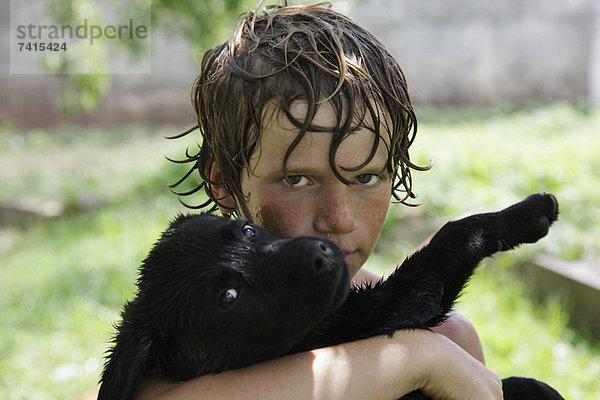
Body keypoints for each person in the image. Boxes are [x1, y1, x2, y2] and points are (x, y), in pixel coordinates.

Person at [131, 2, 502, 399]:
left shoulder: (450, 338)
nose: (339, 219)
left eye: (365, 177)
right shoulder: (193, 334)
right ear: (222, 179)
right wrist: (415, 358)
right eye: (296, 179)